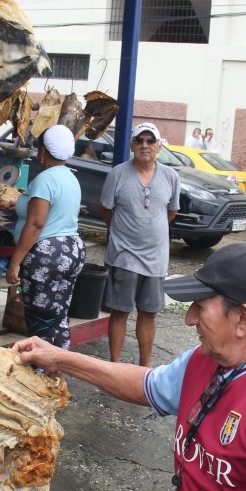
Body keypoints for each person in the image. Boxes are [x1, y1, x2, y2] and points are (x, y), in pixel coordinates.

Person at [13, 242, 246, 491]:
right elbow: (146, 384)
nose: (189, 318)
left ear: (243, 319)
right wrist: (60, 358)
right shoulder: (205, 359)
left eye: (200, 306)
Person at [100, 122, 181, 367]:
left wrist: (150, 230)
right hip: (123, 255)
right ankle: (115, 365)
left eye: (150, 140)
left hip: (156, 259)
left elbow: (171, 212)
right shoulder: (118, 174)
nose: (145, 145)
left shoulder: (170, 176)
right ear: (132, 145)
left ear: (159, 146)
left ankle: (145, 368)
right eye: (140, 140)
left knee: (149, 313)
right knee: (120, 311)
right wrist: (123, 232)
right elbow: (105, 210)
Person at [5, 125, 85, 348]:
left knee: (39, 320)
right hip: (72, 250)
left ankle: (42, 366)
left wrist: (15, 262)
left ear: (42, 151)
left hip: (47, 255)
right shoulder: (71, 178)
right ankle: (60, 365)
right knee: (58, 316)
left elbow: (36, 223)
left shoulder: (45, 179)